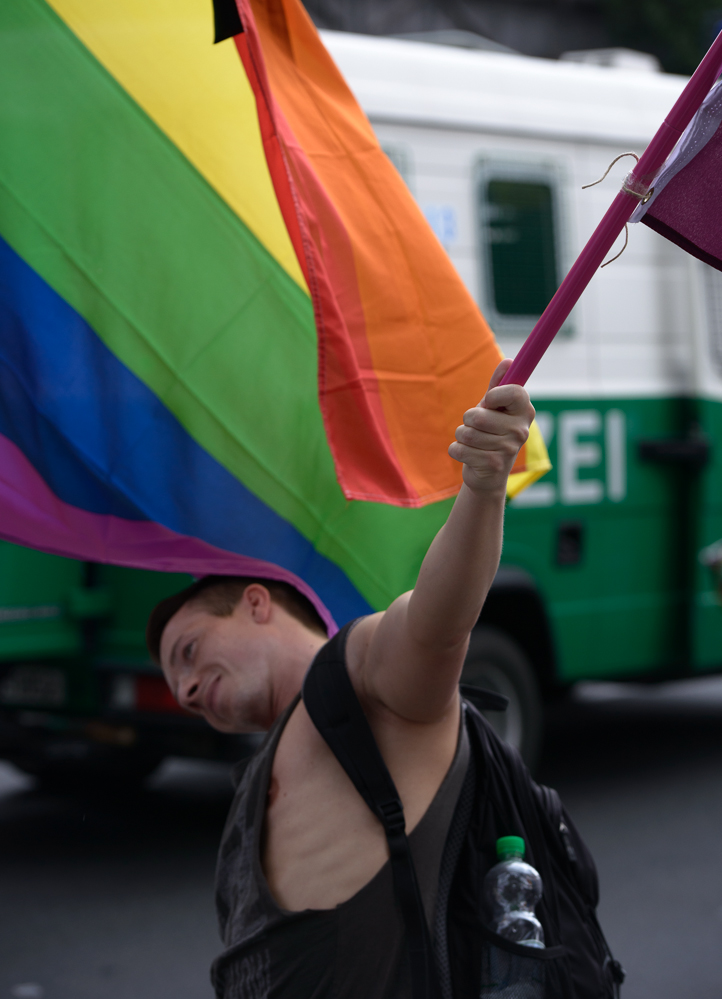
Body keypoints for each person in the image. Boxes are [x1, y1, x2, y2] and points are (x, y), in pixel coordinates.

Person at [146, 358, 535, 997]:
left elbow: (434, 624)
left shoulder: (360, 678)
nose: (185, 690)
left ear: (255, 603)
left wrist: (483, 487)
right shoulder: (263, 765)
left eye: (188, 652)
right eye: (177, 685)